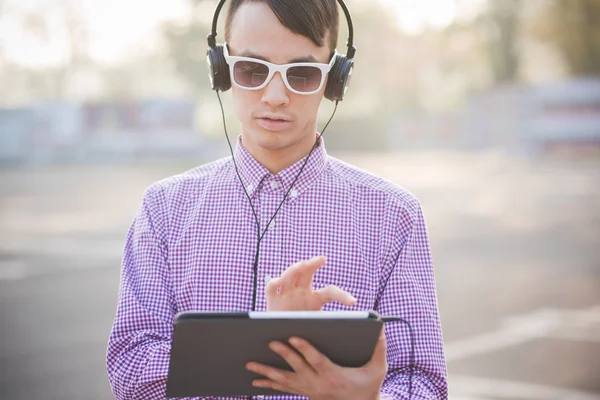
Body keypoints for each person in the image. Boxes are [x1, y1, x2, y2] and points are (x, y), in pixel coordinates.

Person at [106, 0, 448, 399]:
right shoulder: (163, 209)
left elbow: (422, 384)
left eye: (302, 74)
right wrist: (263, 344)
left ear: (335, 80)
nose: (274, 95)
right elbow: (132, 369)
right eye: (252, 70)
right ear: (222, 70)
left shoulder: (393, 216)